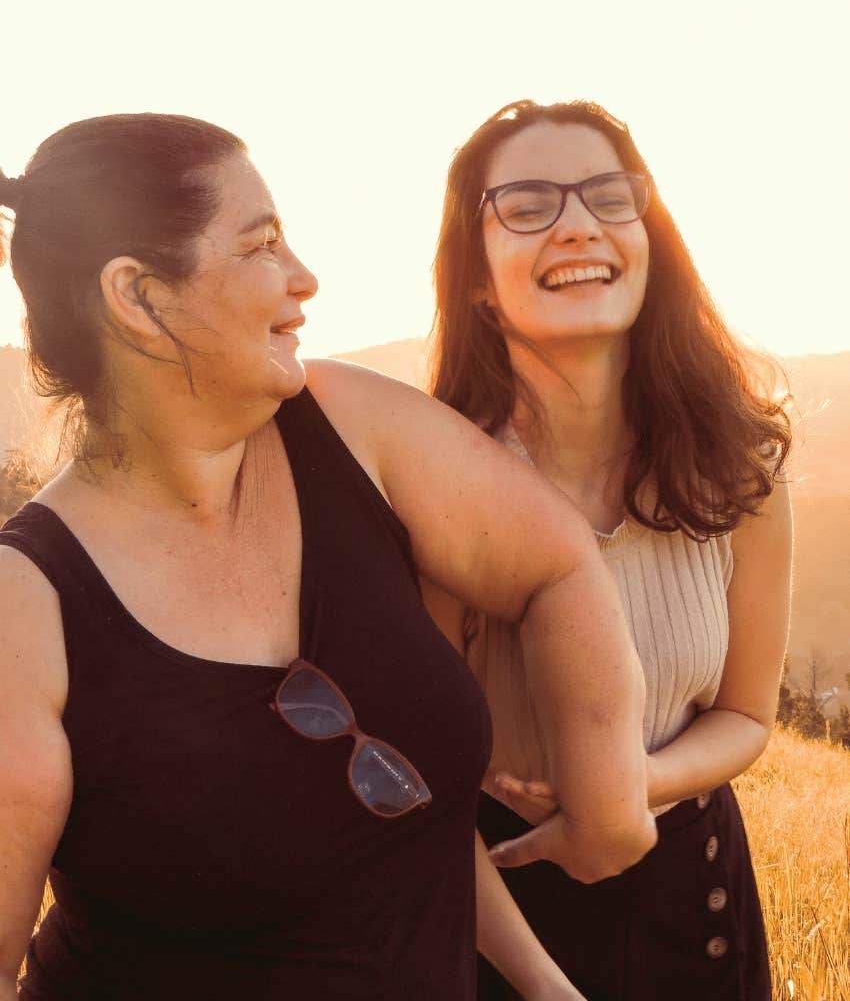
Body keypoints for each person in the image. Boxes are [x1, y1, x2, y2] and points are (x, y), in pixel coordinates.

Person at [0, 113, 656, 1001]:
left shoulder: (349, 425)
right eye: (262, 244)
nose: (304, 279)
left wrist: (599, 812)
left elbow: (555, 566)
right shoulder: (24, 607)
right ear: (141, 298)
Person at [425, 99, 793, 1001]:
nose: (578, 226)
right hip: (498, 916)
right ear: (476, 276)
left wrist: (632, 787)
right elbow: (419, 788)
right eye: (528, 204)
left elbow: (747, 715)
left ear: (648, 233)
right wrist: (542, 985)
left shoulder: (739, 470)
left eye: (607, 195)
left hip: (697, 901)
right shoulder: (434, 491)